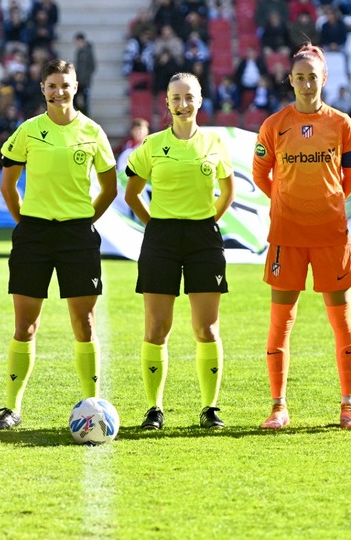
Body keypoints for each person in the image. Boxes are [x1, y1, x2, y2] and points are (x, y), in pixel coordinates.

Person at [0, 59, 118, 430]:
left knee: (85, 324)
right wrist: (26, 221)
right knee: (25, 326)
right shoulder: (29, 131)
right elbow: (7, 185)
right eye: (52, 85)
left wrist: (84, 221)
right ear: (42, 89)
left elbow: (109, 189)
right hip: (34, 234)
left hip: (77, 235)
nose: (59, 91)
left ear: (76, 87)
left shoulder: (93, 132)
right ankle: (11, 408)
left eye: (65, 85)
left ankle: (92, 403)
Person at [252, 43, 351, 431]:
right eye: (299, 77)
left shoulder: (342, 124)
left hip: (332, 234)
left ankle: (348, 406)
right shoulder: (274, 125)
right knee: (281, 321)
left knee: (341, 319)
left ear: (324, 79)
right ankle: (278, 407)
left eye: (312, 76)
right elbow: (259, 174)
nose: (305, 83)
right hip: (287, 234)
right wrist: (287, 202)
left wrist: (327, 203)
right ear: (290, 80)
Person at [124, 72, 235, 430]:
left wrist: (207, 222)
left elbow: (227, 192)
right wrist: (155, 225)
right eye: (176, 98)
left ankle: (210, 408)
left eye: (189, 97)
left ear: (200, 99)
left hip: (204, 238)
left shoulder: (215, 142)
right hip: (162, 239)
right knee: (157, 328)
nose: (183, 104)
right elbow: (131, 193)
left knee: (207, 328)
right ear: (167, 102)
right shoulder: (152, 145)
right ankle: (154, 408)